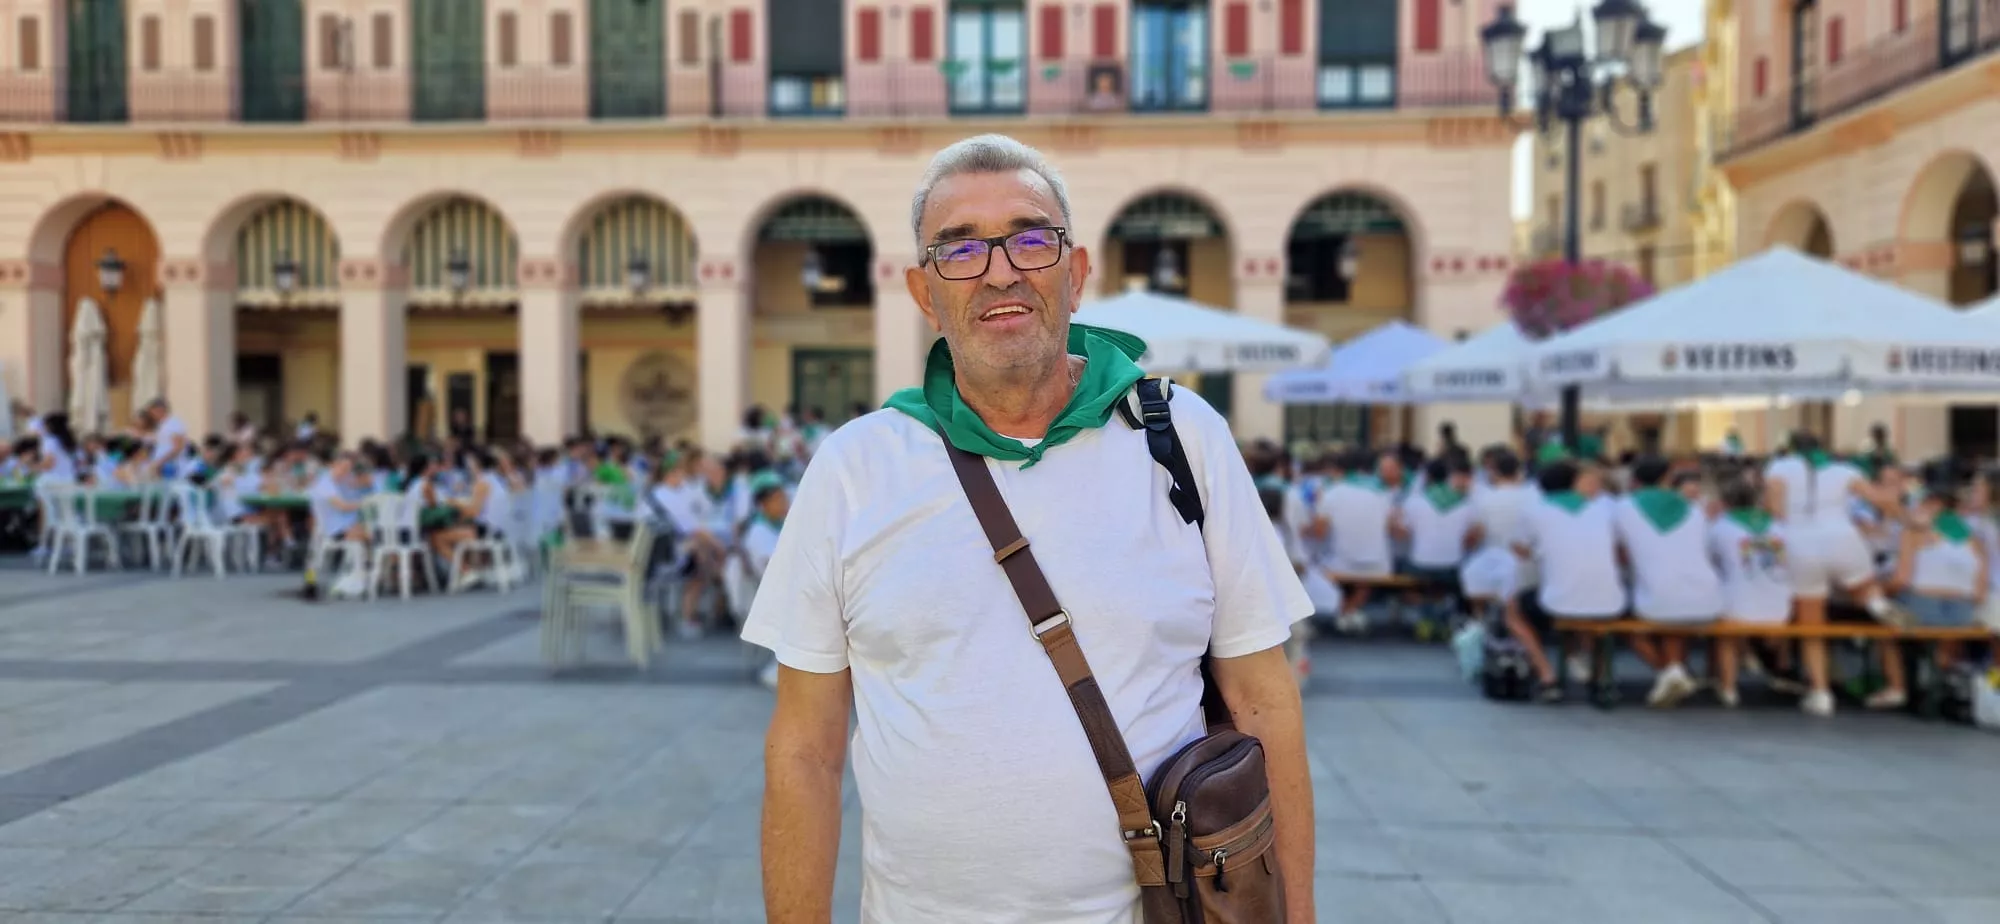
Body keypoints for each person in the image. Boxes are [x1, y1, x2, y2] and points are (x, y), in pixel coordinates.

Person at [742, 134, 1315, 924]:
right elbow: (805, 747)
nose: (1000, 270)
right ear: (923, 292)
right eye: (960, 248)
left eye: (1031, 237)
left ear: (1076, 275)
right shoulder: (855, 469)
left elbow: (1263, 702)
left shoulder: (1184, 439)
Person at [1762, 431, 1901, 717]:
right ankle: (1873, 601)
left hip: (1801, 545)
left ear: (1790, 449)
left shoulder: (1779, 467)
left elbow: (1773, 509)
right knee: (1863, 583)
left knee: (1812, 625)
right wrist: (1905, 510)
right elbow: (1879, 499)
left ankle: (1821, 693)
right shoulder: (1844, 470)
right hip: (1843, 539)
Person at [1612, 456, 1724, 709]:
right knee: (1675, 619)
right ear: (1667, 479)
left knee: (1631, 629)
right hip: (1707, 595)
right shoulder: (1694, 509)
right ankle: (1674, 672)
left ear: (1635, 481)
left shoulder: (1622, 507)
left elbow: (1617, 550)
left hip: (1656, 599)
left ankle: (1669, 672)